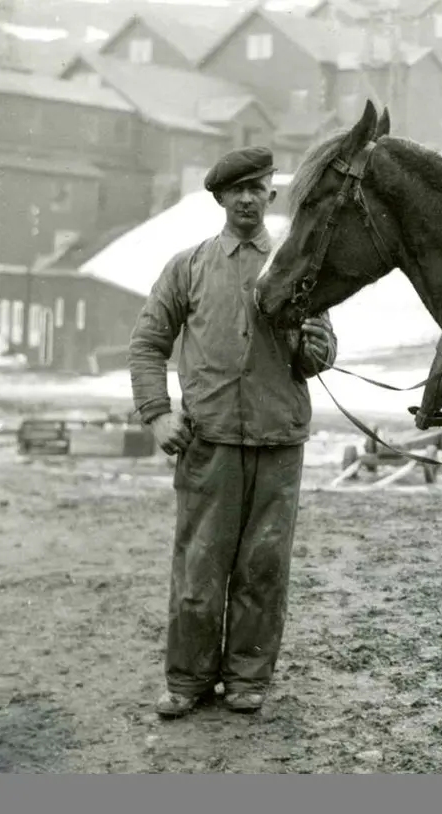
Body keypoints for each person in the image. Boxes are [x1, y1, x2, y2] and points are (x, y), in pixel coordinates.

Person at [127, 145, 338, 719]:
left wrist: (318, 349)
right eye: (236, 189)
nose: (248, 198)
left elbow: (322, 348)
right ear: (219, 198)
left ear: (272, 194)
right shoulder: (187, 266)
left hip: (278, 442)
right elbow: (148, 344)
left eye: (258, 187)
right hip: (208, 443)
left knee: (263, 568)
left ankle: (248, 678)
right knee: (199, 568)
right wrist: (158, 413)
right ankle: (188, 680)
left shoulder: (296, 264)